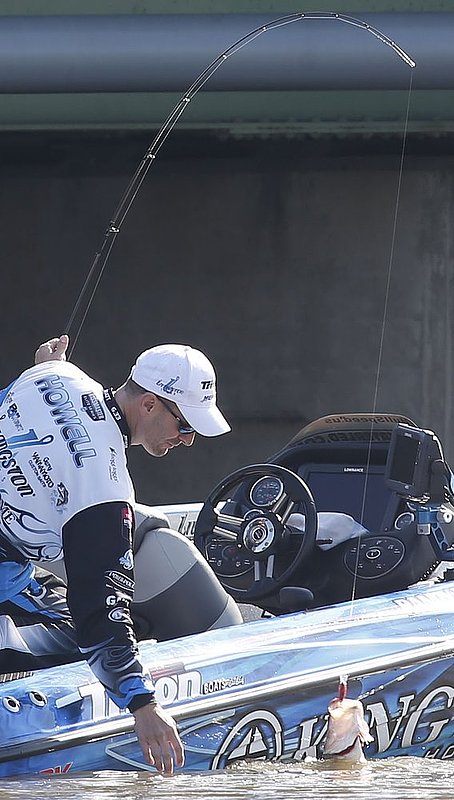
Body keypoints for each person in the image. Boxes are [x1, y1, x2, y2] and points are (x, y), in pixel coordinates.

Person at [0, 334, 231, 775]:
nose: (188, 441)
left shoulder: (54, 375)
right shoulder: (104, 490)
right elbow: (100, 614)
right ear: (149, 404)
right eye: (185, 426)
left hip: (13, 562)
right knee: (84, 642)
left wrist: (42, 366)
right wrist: (142, 704)